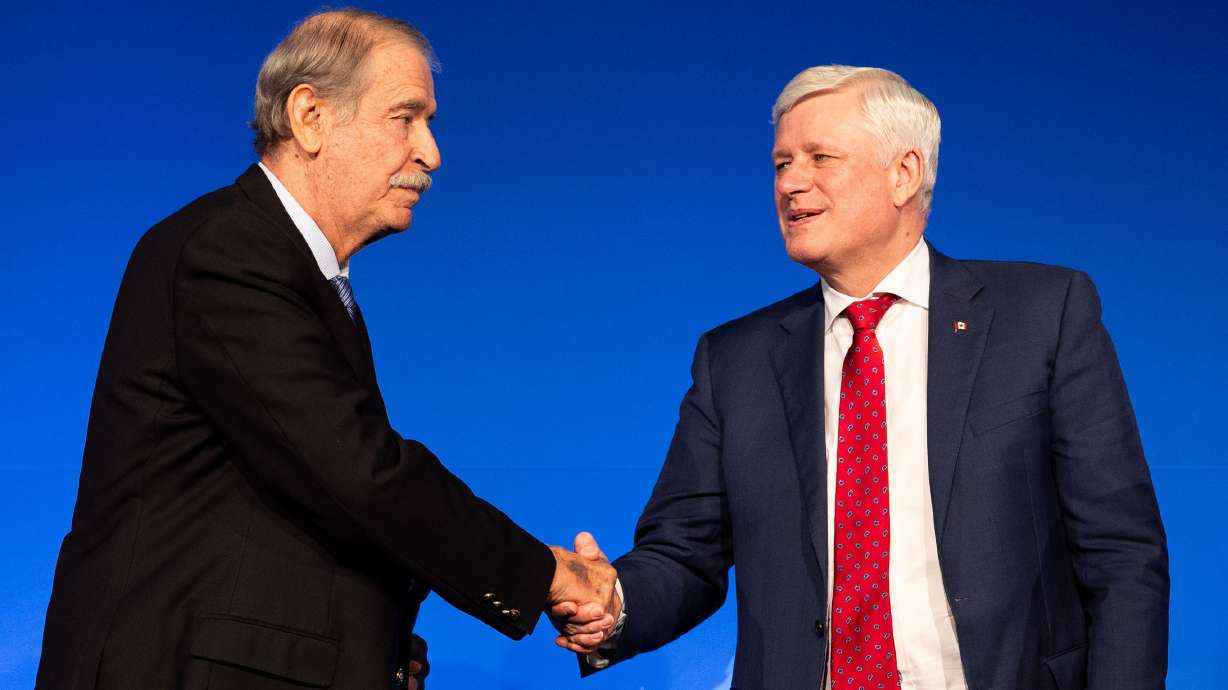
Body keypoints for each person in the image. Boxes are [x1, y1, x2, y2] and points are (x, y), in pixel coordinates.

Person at [36, 9, 616, 690]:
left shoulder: (298, 275)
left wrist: (377, 648)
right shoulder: (225, 251)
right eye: (407, 117)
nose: (431, 153)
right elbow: (356, 472)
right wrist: (547, 573)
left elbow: (293, 510)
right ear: (310, 116)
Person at [556, 66, 1169, 689]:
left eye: (820, 157)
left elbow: (1121, 556)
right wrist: (612, 604)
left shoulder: (1042, 313)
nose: (792, 183)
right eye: (780, 164)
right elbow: (686, 554)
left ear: (904, 172)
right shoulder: (734, 360)